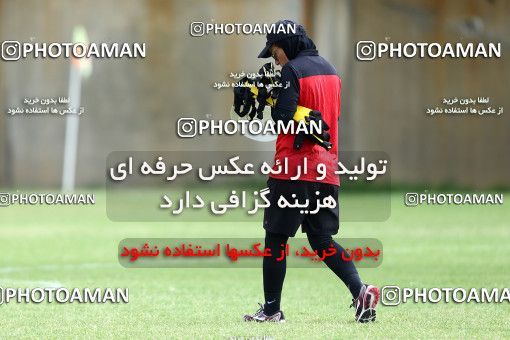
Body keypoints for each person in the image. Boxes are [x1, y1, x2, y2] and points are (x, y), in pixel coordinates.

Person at [243, 20, 379, 323]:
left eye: (274, 50)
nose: (273, 58)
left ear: (286, 45)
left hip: (293, 168)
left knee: (275, 240)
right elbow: (327, 118)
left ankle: (271, 310)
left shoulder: (292, 71)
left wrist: (267, 96)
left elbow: (283, 119)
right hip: (326, 169)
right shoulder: (332, 71)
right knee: (322, 241)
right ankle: (361, 291)